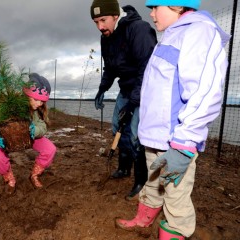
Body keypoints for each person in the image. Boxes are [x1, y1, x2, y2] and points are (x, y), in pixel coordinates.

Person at [115, 0, 231, 239]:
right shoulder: (170, 36)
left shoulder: (198, 32)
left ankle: (176, 231)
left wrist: (184, 145)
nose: (152, 13)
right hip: (156, 136)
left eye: (156, 6)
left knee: (176, 195)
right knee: (154, 181)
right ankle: (144, 218)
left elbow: (204, 91)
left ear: (177, 5)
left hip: (175, 141)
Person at [90, 0, 157, 198]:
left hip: (144, 90)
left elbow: (147, 71)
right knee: (117, 129)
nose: (100, 27)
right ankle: (124, 168)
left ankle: (140, 181)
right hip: (126, 89)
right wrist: (102, 89)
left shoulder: (139, 30)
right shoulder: (107, 37)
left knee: (136, 135)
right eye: (95, 22)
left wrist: (132, 104)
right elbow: (110, 68)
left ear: (115, 15)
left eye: (103, 20)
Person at [0, 73, 57, 194]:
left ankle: (34, 175)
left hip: (30, 139)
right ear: (26, 94)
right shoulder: (10, 106)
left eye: (42, 101)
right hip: (8, 139)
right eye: (36, 99)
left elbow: (43, 127)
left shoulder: (36, 112)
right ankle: (9, 179)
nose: (39, 104)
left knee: (50, 149)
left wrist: (34, 131)